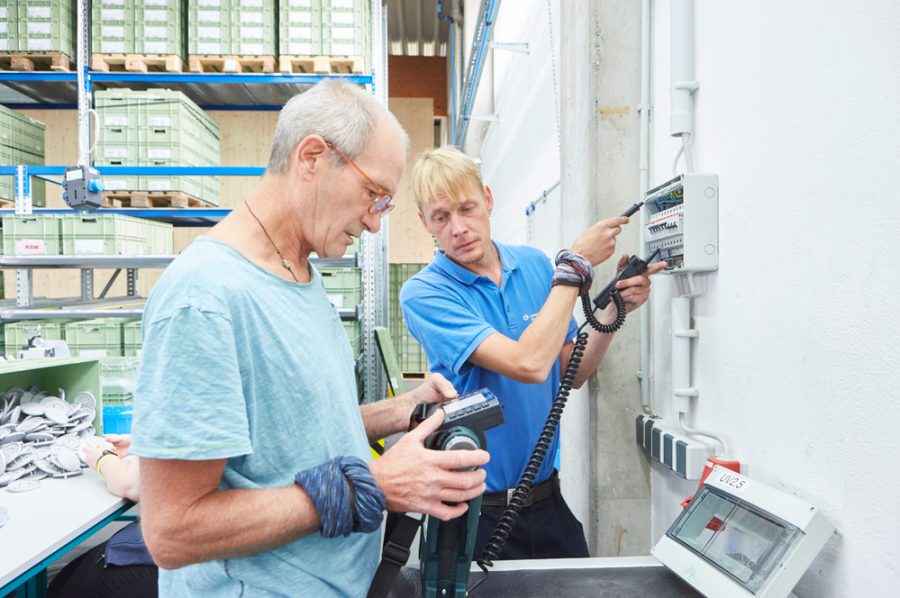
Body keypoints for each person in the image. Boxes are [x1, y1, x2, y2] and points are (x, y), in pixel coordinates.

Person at [128, 80, 489, 597]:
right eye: (372, 195)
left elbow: (291, 435)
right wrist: (377, 484)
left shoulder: (299, 274)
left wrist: (405, 409)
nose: (372, 222)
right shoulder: (204, 298)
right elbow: (174, 529)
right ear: (313, 157)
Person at [399, 146, 667, 561]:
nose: (458, 228)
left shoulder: (537, 267)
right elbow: (527, 364)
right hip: (473, 514)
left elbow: (569, 372)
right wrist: (575, 266)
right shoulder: (426, 293)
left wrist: (615, 308)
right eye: (441, 217)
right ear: (425, 224)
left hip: (546, 503)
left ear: (487, 199)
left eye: (467, 208)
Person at [47, 434, 156, 598]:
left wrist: (103, 459)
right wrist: (145, 444)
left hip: (179, 559)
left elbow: (129, 484)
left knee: (65, 587)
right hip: (199, 552)